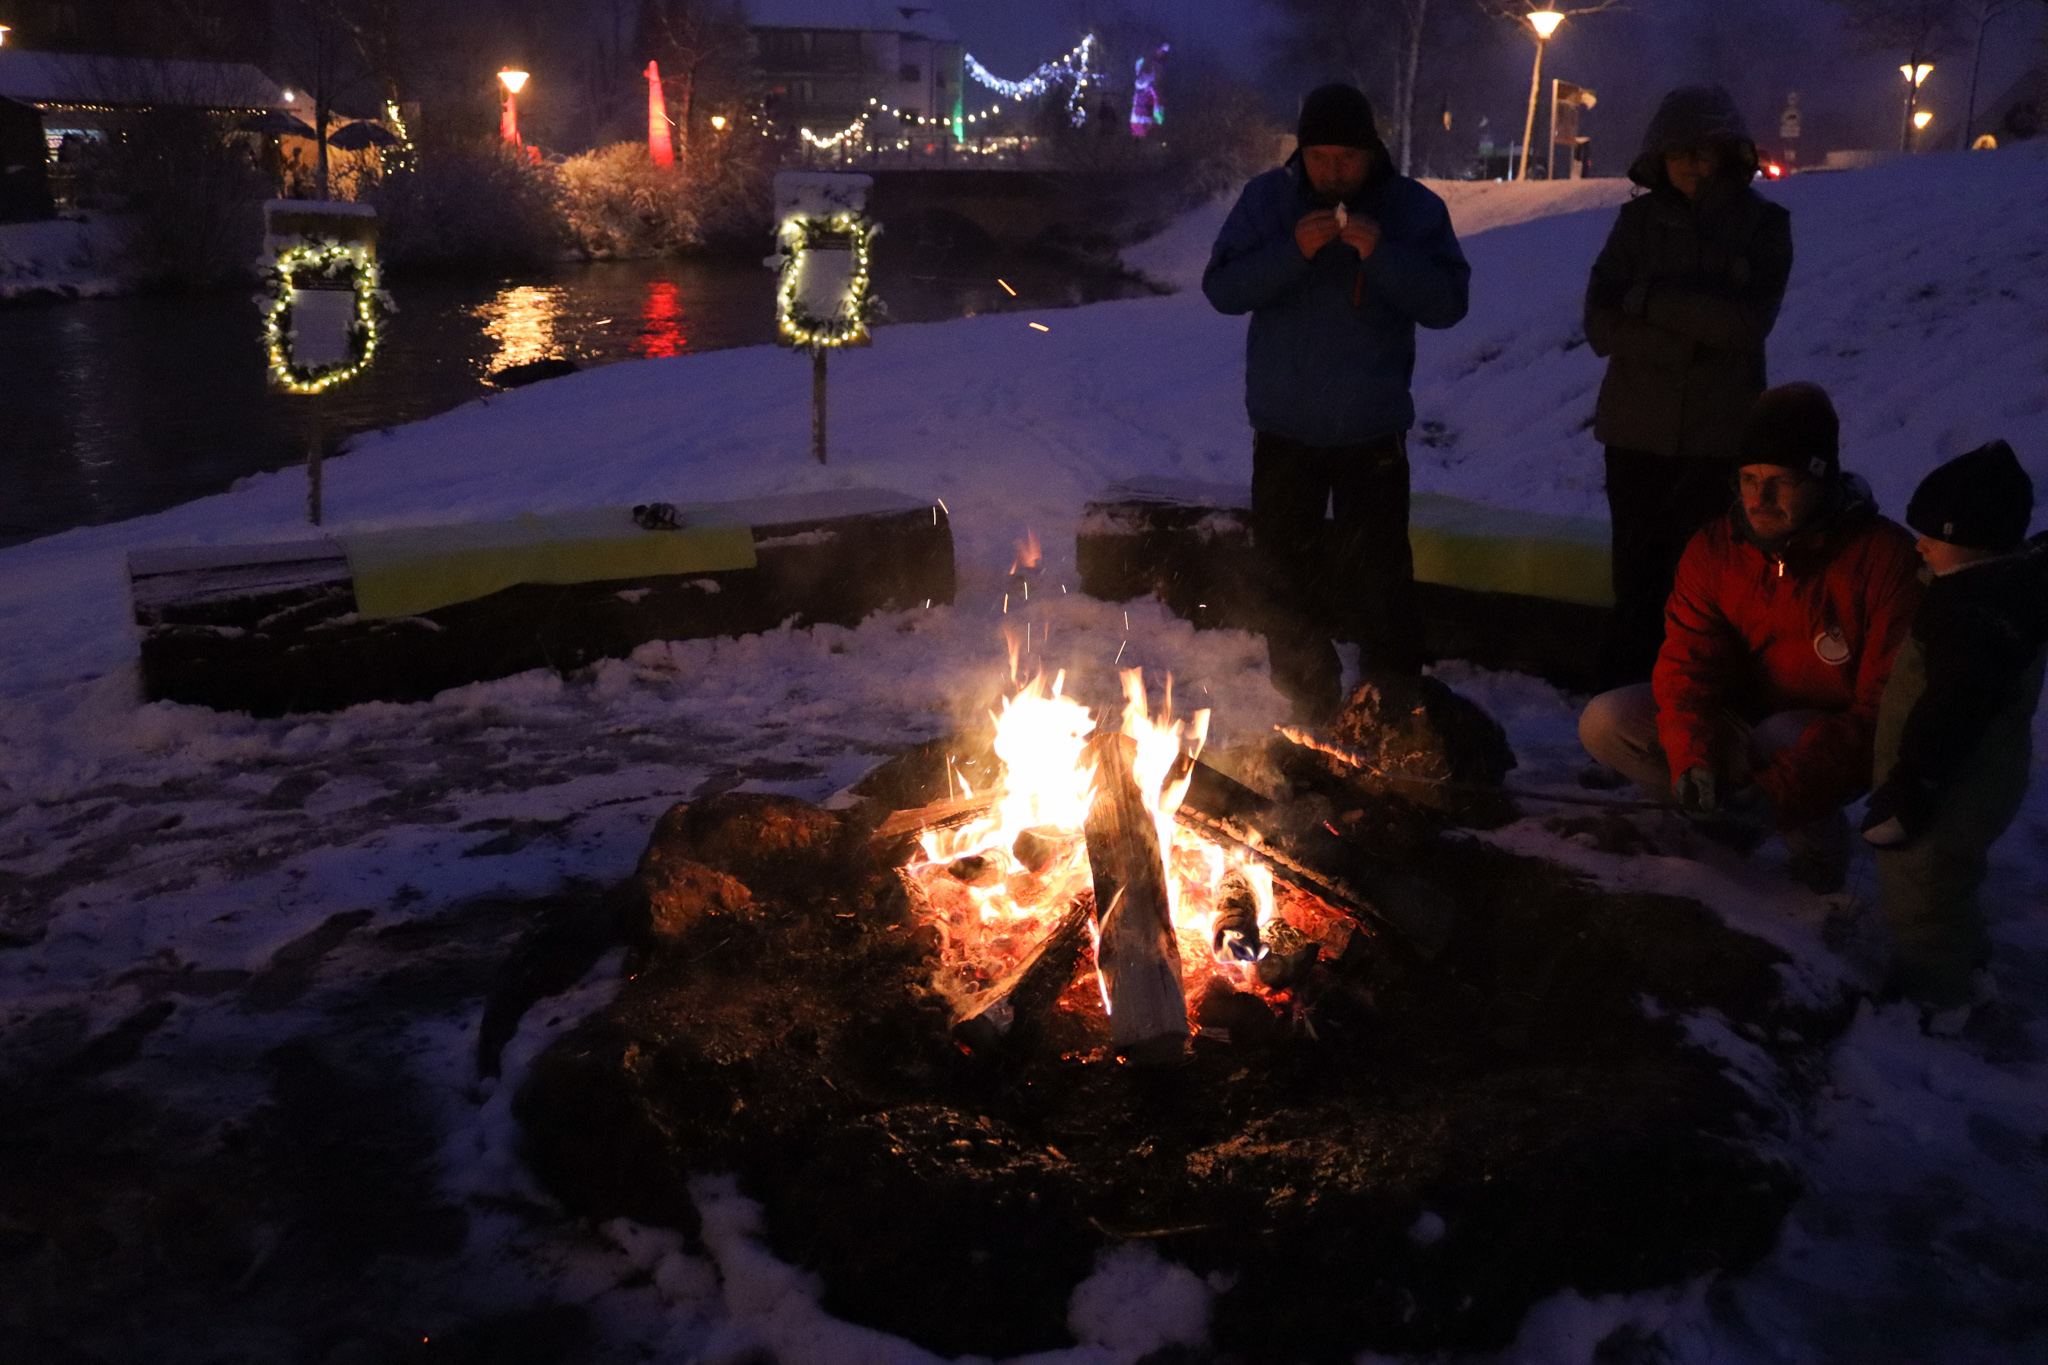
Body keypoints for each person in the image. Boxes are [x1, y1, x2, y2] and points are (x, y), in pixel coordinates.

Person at [1578, 383, 1924, 894]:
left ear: (1820, 479)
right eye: (1748, 479)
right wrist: (1692, 759)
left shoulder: (1882, 558)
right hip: (1740, 719)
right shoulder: (1717, 549)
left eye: (1780, 482)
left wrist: (1778, 792)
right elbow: (1687, 666)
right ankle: (1720, 822)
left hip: (1829, 738)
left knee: (1781, 736)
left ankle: (1819, 858)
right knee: (1606, 721)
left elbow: (1882, 711)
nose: (1759, 499)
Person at [1202, 83, 1470, 723]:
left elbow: (1448, 305)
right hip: (1285, 427)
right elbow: (1223, 288)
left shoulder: (1412, 210)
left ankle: (1392, 704)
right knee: (1283, 575)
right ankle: (1309, 701)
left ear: (1372, 153)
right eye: (1319, 157)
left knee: (1381, 578)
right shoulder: (1266, 202)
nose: (1332, 171)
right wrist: (1293, 251)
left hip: (1371, 430)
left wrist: (1383, 255)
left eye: (1346, 158)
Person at [1584, 86, 1794, 690]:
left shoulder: (1763, 226)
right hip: (1634, 434)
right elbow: (1600, 322)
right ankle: (1623, 704)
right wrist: (1687, 338)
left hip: (1717, 437)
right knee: (1637, 580)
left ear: (1729, 154)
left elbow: (1748, 323)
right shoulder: (1637, 222)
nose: (1692, 165)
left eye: (1704, 152)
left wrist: (1651, 299)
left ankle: (1696, 704)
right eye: (1680, 154)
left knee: (1705, 585)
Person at [1863, 441, 2048, 1030]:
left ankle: (1939, 1002)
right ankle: (1970, 966)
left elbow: (1948, 711)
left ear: (1972, 541)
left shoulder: (1970, 620)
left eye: (1931, 536)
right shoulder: (2006, 593)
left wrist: (1910, 790)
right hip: (1985, 775)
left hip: (1948, 782)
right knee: (1952, 877)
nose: (1918, 544)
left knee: (1920, 888)